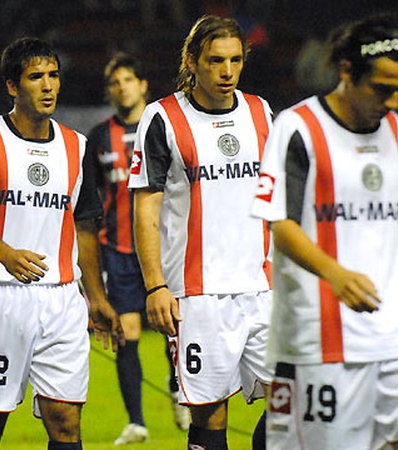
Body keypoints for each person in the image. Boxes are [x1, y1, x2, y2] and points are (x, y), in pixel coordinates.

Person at [250, 13, 398, 450]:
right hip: (322, 341)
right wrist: (335, 273)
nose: (393, 101)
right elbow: (280, 224)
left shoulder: (395, 130)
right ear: (346, 71)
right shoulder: (298, 128)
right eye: (382, 88)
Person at [0, 37, 124, 450]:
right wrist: (5, 255)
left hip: (62, 300)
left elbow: (84, 225)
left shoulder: (77, 146)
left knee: (66, 422)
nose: (47, 86)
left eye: (53, 76)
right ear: (12, 86)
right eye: (35, 77)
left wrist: (96, 297)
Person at [128, 15, 274, 450]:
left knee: (296, 398)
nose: (227, 71)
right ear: (191, 62)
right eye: (215, 61)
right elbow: (146, 208)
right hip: (197, 295)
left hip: (262, 287)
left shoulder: (260, 112)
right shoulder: (163, 118)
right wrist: (155, 285)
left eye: (235, 60)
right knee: (211, 414)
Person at [86, 52, 189, 445]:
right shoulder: (99, 137)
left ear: (143, 84)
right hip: (117, 248)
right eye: (115, 82)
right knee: (126, 331)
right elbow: (91, 200)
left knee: (172, 325)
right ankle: (137, 422)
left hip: (165, 245)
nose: (122, 88)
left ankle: (178, 386)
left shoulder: (164, 127)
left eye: (128, 79)